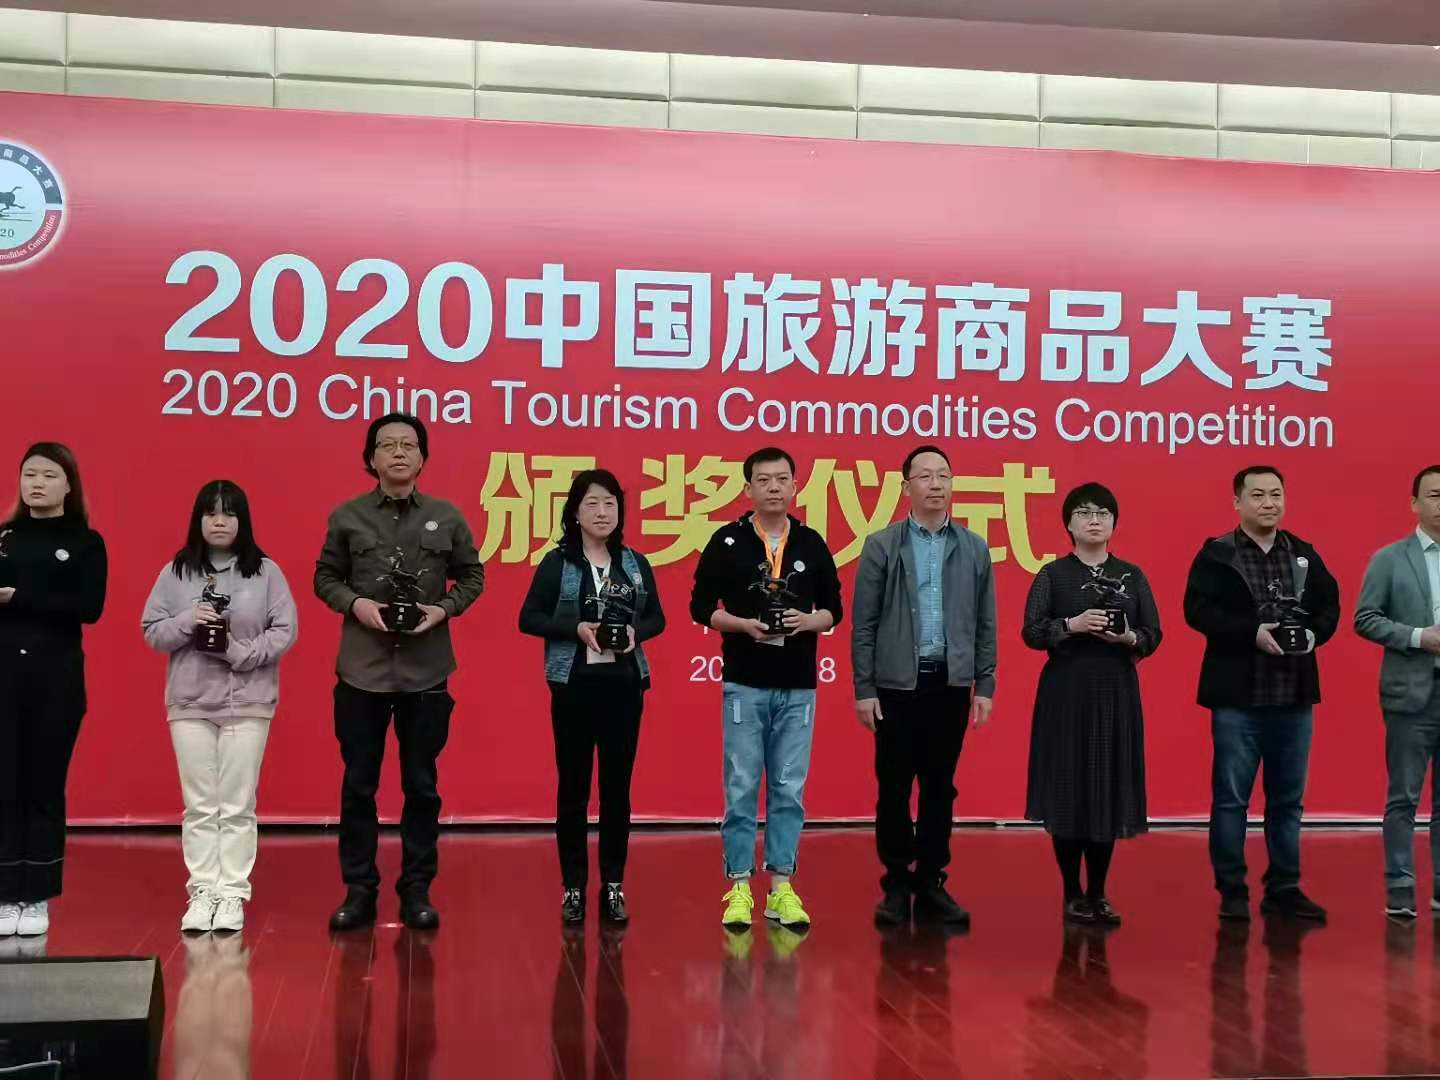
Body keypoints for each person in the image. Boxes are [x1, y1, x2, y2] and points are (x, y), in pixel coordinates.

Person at [314, 413, 484, 931]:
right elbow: (325, 577)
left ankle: (416, 890)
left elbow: (472, 576)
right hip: (361, 671)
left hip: (425, 670)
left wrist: (443, 610)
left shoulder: (446, 517)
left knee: (422, 787)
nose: (398, 453)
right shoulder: (347, 516)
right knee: (358, 787)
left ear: (423, 457)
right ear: (371, 458)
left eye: (408, 445)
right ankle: (359, 890)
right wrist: (355, 604)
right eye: (387, 445)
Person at [690, 447, 842, 930]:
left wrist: (807, 621)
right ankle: (738, 887)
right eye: (764, 479)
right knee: (740, 787)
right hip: (745, 682)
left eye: (782, 479)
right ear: (747, 488)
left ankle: (781, 888)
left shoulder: (811, 543)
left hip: (798, 686)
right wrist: (741, 624)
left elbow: (834, 610)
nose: (774, 487)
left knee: (788, 789)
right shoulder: (727, 541)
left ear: (795, 486)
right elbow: (700, 607)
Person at [1183, 465, 1339, 922]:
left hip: (1293, 694)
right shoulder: (1217, 554)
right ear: (1237, 502)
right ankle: (1232, 890)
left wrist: (1313, 635)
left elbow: (1330, 607)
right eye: (1257, 495)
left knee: (1288, 800)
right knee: (1231, 799)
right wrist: (1251, 632)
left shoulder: (1304, 554)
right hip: (1238, 697)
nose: (1268, 503)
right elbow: (1197, 611)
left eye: (1275, 494)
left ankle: (1284, 888)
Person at [142, 480, 298, 933]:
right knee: (199, 805)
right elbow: (152, 630)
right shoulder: (175, 572)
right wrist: (188, 619)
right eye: (210, 513)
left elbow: (284, 631)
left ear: (242, 521)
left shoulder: (265, 572)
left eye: (229, 513)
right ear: (198, 520)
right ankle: (202, 891)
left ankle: (231, 893)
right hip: (189, 704)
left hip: (248, 703)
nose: (219, 521)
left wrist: (238, 652)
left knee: (237, 804)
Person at [851, 444, 996, 928]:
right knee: (893, 787)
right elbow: (864, 624)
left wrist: (984, 683)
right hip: (895, 686)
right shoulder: (882, 545)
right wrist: (864, 689)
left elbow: (985, 623)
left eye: (944, 475)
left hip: (949, 684)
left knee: (940, 787)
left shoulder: (973, 547)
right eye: (925, 476)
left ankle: (932, 880)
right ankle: (896, 882)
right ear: (906, 486)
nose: (936, 484)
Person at [519, 469, 665, 925]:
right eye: (592, 504)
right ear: (575, 513)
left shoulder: (634, 563)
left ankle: (614, 885)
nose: (602, 512)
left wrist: (634, 634)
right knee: (574, 789)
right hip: (575, 688)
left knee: (617, 791)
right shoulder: (558, 563)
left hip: (623, 688)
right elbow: (529, 617)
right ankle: (574, 888)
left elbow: (657, 618)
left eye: (610, 504)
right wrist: (576, 628)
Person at [1022, 482, 1160, 926]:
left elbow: (1153, 633)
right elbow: (1031, 631)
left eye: (1103, 513)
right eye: (1084, 512)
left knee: (1106, 788)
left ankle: (1098, 892)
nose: (1094, 520)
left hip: (1115, 690)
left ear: (1114, 522)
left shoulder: (1131, 575)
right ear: (1068, 523)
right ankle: (1072, 892)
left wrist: (1129, 637)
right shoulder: (1052, 575)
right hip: (1066, 691)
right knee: (1068, 789)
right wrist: (1072, 624)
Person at [0, 443, 107, 939]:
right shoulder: (3, 538)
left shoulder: (85, 542)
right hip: (5, 676)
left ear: (68, 485)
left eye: (47, 475)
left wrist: (18, 597)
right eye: (29, 475)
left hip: (55, 679)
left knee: (44, 784)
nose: (36, 483)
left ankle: (37, 893)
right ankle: (6, 894)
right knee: (5, 784)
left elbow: (88, 606)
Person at [1354, 465, 1440, 919]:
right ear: (1414, 503)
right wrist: (1418, 637)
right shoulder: (1390, 558)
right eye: (1435, 495)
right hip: (1411, 693)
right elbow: (1366, 618)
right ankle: (1400, 886)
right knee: (1404, 796)